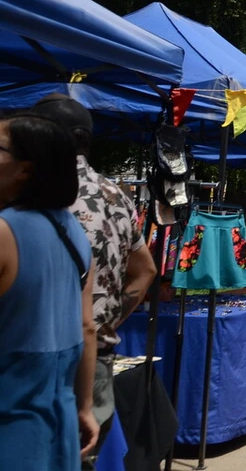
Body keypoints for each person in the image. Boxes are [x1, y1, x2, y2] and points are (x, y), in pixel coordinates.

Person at [32, 95, 157, 469]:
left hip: (39, 357)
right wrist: (106, 321)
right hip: (95, 359)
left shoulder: (39, 194)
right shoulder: (116, 195)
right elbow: (146, 269)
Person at [0, 113, 99, 469]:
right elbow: (87, 328)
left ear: (25, 168)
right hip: (58, 427)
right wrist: (85, 407)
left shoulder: (5, 232)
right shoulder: (73, 230)